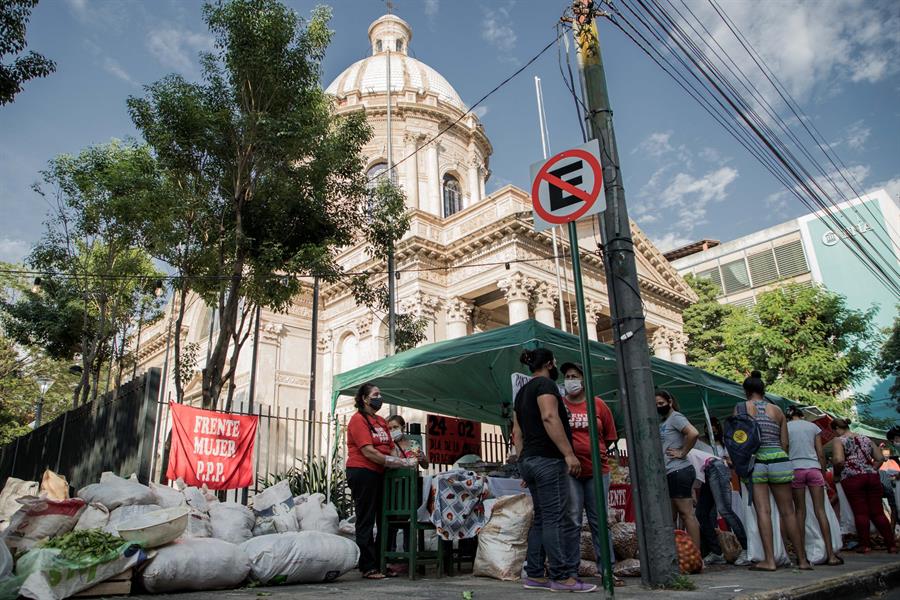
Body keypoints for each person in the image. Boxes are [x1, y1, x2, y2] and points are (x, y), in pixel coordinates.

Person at [513, 348, 596, 593]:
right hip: (547, 460)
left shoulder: (521, 393)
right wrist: (569, 453)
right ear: (549, 364)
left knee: (541, 518)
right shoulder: (546, 386)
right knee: (554, 518)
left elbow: (517, 433)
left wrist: (523, 463)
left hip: (529, 460)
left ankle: (536, 574)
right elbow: (550, 416)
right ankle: (561, 577)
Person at [735, 371, 810, 571]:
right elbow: (785, 443)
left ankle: (769, 560)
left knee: (763, 511)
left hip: (756, 462)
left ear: (746, 391)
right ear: (763, 390)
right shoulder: (777, 410)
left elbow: (738, 440)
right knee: (788, 512)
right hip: (780, 460)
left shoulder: (742, 408)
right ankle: (802, 560)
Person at [560, 362, 623, 587]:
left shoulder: (598, 405)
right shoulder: (560, 406)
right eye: (567, 376)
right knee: (573, 520)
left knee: (599, 522)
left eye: (574, 376)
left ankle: (607, 570)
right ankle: (571, 570)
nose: (570, 380)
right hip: (570, 472)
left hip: (598, 470)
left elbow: (609, 435)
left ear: (584, 380)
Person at [345, 383, 417, 580]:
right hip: (362, 471)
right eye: (375, 394)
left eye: (380, 394)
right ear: (365, 399)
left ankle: (381, 562)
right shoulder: (357, 420)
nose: (379, 397)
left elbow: (391, 446)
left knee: (385, 517)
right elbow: (368, 451)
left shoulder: (380, 421)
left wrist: (402, 458)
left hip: (381, 473)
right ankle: (368, 567)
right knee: (366, 517)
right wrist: (395, 461)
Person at [830, 419, 897, 554]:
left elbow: (838, 460)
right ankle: (891, 545)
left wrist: (837, 474)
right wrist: (871, 468)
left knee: (860, 512)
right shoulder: (865, 438)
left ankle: (865, 545)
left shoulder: (839, 440)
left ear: (836, 428)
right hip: (871, 477)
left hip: (852, 478)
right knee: (878, 512)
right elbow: (879, 458)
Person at [785, 406, 842, 566]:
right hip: (814, 468)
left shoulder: (786, 427)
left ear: (788, 417)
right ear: (802, 415)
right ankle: (831, 555)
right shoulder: (813, 427)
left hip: (795, 469)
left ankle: (801, 556)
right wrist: (822, 473)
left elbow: (785, 448)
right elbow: (820, 453)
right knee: (821, 510)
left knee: (800, 512)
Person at [687, 447, 750, 567]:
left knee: (724, 510)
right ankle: (717, 552)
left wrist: (691, 492)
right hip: (706, 471)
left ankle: (746, 550)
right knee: (701, 513)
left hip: (714, 467)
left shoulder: (676, 452)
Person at [655, 390, 702, 551]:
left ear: (670, 401)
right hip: (670, 472)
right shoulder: (665, 421)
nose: (658, 407)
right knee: (672, 516)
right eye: (656, 405)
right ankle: (679, 554)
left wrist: (682, 451)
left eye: (661, 403)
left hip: (679, 470)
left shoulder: (676, 417)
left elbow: (693, 433)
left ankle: (696, 554)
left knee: (686, 514)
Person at [878, 443, 899, 534]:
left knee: (894, 508)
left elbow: (897, 475)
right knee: (879, 509)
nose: (886, 456)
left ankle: (892, 530)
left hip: (890, 487)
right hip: (879, 488)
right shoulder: (877, 462)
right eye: (884, 455)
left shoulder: (893, 462)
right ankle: (883, 530)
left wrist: (893, 477)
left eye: (888, 454)